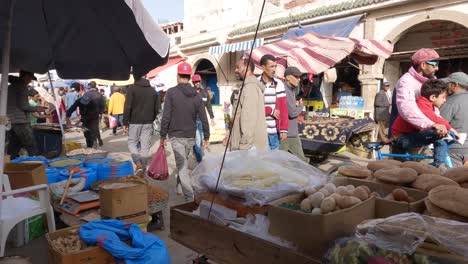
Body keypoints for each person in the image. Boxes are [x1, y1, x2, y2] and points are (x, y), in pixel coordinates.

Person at [160, 62, 210, 201]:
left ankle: (190, 197)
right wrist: (206, 136)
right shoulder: (197, 95)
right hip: (190, 136)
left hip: (176, 136)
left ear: (178, 76)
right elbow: (203, 117)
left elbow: (166, 116)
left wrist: (162, 136)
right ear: (189, 77)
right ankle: (179, 186)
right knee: (182, 164)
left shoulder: (171, 93)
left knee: (181, 166)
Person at [391, 79, 458, 167]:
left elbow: (438, 118)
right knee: (438, 133)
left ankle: (439, 162)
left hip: (411, 136)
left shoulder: (432, 107)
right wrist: (451, 129)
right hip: (401, 139)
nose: (445, 100)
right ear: (433, 97)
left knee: (443, 134)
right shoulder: (421, 104)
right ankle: (438, 163)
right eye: (443, 97)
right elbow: (433, 118)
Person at [389, 48, 444, 138]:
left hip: (421, 131)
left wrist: (439, 122)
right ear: (423, 65)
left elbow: (434, 108)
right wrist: (430, 124)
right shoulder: (406, 81)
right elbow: (407, 109)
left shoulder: (430, 81)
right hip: (404, 134)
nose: (437, 68)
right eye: (435, 64)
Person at [123, 76, 160, 176]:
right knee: (145, 146)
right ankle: (142, 170)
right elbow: (157, 108)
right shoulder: (152, 90)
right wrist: (152, 118)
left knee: (131, 143)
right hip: (148, 122)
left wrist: (125, 122)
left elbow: (127, 106)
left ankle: (138, 164)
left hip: (135, 121)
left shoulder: (132, 88)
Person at [230, 58, 268, 151]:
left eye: (238, 67)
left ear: (247, 68)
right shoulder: (246, 86)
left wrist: (244, 146)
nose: (235, 70)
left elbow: (248, 119)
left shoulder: (250, 87)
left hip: (249, 150)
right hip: (247, 148)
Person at [6, 71, 47, 158]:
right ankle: (36, 164)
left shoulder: (10, 87)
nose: (30, 80)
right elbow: (24, 106)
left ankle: (10, 164)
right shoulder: (22, 87)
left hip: (11, 120)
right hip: (20, 121)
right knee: (31, 145)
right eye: (30, 78)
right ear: (25, 77)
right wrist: (37, 108)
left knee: (14, 145)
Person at [258, 54, 288, 150]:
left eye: (275, 66)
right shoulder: (256, 83)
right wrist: (269, 110)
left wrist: (284, 129)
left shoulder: (278, 84)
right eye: (271, 66)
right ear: (263, 67)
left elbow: (283, 108)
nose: (274, 69)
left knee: (274, 162)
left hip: (274, 133)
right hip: (260, 132)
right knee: (261, 162)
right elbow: (252, 108)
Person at [440, 72, 468, 167]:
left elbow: (440, 125)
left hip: (455, 151)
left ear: (453, 85)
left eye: (447, 84)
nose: (446, 87)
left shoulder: (451, 102)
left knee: (450, 180)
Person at [66, 81, 105, 148]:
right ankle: (93, 143)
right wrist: (100, 113)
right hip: (92, 117)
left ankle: (92, 145)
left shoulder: (86, 97)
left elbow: (72, 108)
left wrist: (68, 116)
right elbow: (102, 106)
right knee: (92, 131)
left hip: (89, 117)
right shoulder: (99, 95)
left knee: (89, 132)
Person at [279, 67, 307, 161]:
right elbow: (292, 113)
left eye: (299, 77)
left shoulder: (291, 90)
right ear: (287, 77)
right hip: (288, 133)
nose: (298, 79)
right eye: (296, 76)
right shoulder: (286, 90)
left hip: (289, 132)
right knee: (300, 162)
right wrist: (301, 106)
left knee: (282, 162)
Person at [191, 74, 214, 162]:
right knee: (198, 141)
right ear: (193, 82)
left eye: (198, 81)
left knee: (200, 141)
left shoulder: (204, 93)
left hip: (201, 120)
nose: (197, 83)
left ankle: (196, 152)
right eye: (195, 82)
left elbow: (208, 105)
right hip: (192, 121)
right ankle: (200, 162)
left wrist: (212, 117)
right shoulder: (190, 93)